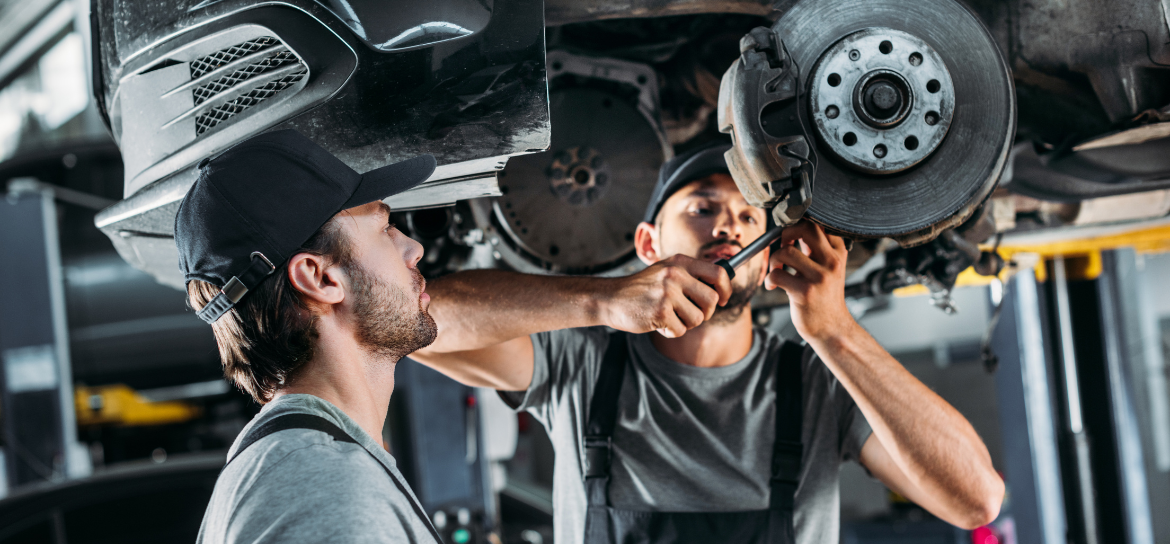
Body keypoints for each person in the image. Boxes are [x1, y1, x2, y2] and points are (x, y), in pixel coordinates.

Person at [412, 142, 1004, 544]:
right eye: (702, 208)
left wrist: (834, 330)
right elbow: (415, 322)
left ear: (769, 254)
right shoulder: (582, 365)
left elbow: (975, 501)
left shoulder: (820, 384)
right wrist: (601, 299)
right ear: (648, 243)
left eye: (751, 218)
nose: (729, 226)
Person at [182, 129, 444, 544]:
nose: (413, 249)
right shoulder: (328, 489)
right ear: (319, 278)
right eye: (384, 228)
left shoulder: (295, 467)